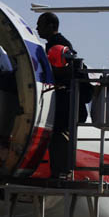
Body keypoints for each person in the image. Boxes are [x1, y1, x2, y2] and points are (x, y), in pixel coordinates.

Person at [36, 12, 80, 179]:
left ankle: (62, 172)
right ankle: (59, 171)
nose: (37, 28)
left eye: (40, 25)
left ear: (51, 26)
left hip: (64, 98)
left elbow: (69, 70)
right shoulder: (55, 43)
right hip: (61, 97)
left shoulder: (59, 45)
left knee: (61, 136)